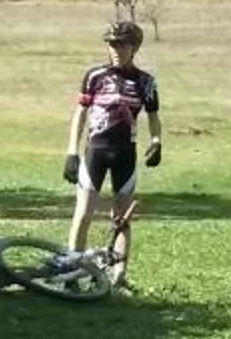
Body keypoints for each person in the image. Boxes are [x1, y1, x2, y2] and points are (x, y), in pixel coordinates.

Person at [64, 18, 162, 263]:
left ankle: (118, 273)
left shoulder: (146, 82)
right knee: (84, 212)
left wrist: (156, 141)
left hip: (125, 154)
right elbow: (81, 113)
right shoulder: (94, 76)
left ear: (134, 47)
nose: (116, 51)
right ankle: (71, 268)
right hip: (95, 151)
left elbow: (153, 116)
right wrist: (72, 153)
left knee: (121, 218)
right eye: (112, 45)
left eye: (122, 45)